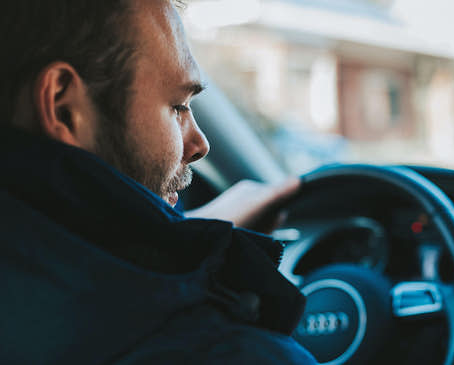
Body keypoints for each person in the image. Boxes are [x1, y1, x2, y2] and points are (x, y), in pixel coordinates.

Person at [0, 0, 315, 363]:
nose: (200, 144)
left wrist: (182, 239)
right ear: (64, 109)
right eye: (178, 106)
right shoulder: (222, 351)